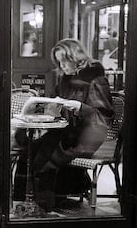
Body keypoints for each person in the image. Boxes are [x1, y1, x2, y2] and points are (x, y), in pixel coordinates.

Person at [14, 39, 114, 212]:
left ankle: (44, 204)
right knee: (29, 152)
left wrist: (79, 107)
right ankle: (26, 201)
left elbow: (103, 118)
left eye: (65, 60)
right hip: (67, 132)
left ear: (75, 57)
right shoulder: (65, 80)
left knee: (44, 158)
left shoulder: (96, 80)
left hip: (87, 136)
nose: (63, 65)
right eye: (59, 62)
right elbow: (54, 101)